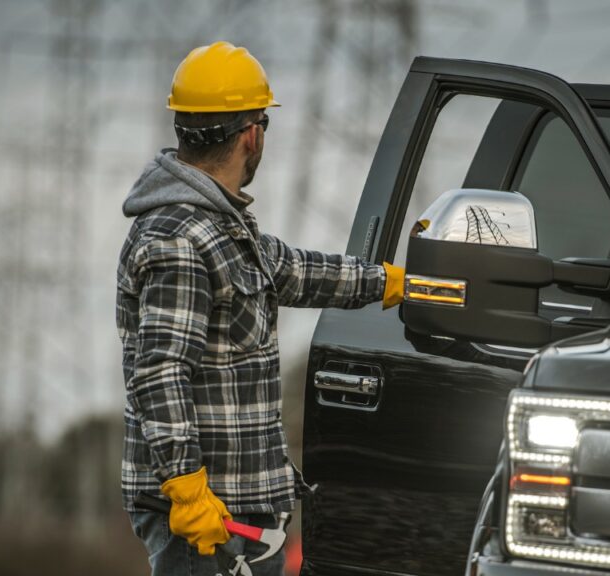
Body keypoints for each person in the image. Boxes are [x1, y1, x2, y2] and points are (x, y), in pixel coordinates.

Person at [117, 41, 405, 575]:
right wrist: (186, 488)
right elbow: (160, 371)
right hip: (209, 516)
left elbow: (292, 269)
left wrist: (389, 282)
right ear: (253, 133)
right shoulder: (180, 239)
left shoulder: (224, 228)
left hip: (243, 504)